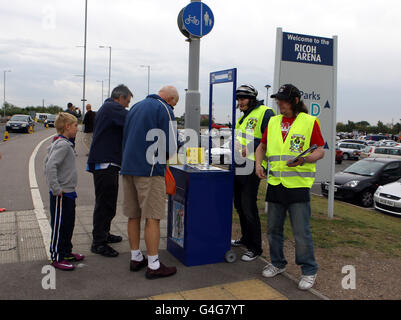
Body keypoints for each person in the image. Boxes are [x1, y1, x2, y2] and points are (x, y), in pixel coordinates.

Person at [255, 84, 325, 290]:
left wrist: (304, 160)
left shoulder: (309, 121)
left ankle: (309, 270)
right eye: (278, 100)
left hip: (298, 185)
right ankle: (277, 263)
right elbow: (262, 146)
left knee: (301, 232)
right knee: (273, 229)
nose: (280, 104)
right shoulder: (274, 121)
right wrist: (259, 164)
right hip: (275, 183)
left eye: (284, 100)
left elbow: (320, 150)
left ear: (295, 101)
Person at [121, 86, 179, 279]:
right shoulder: (164, 109)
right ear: (170, 99)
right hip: (151, 170)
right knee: (152, 216)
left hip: (128, 167)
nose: (174, 108)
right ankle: (154, 264)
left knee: (133, 214)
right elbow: (171, 147)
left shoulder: (135, 107)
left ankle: (135, 257)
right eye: (175, 104)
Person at [87, 84, 133, 257]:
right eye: (127, 102)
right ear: (119, 98)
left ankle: (103, 234)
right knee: (105, 204)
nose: (127, 105)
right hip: (105, 163)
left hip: (106, 163)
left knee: (107, 202)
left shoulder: (107, 107)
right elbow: (133, 119)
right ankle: (98, 242)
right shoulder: (113, 107)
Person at [231, 84, 275, 262]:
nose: (240, 101)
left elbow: (269, 139)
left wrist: (249, 146)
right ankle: (246, 238)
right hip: (239, 166)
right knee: (239, 206)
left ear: (252, 98)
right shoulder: (242, 118)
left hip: (253, 166)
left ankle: (256, 247)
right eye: (239, 98)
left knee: (249, 207)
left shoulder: (265, 113)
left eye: (244, 98)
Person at [44, 112, 84, 271]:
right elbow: (49, 166)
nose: (77, 129)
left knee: (68, 224)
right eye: (75, 126)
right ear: (67, 127)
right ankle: (56, 256)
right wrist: (56, 188)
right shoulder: (62, 145)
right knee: (59, 225)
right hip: (61, 193)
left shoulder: (63, 143)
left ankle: (66, 251)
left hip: (68, 192)